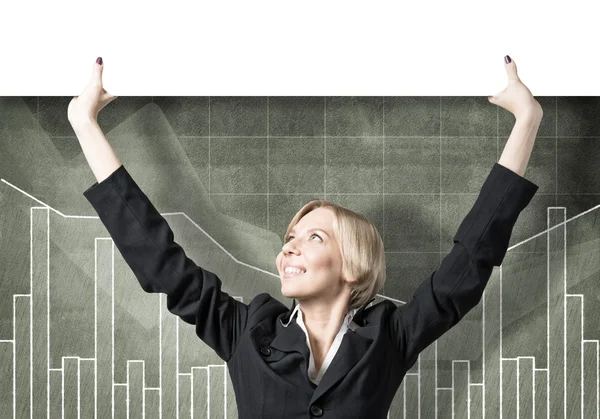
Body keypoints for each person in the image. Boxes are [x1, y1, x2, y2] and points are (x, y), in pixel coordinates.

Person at [70, 55, 542, 418]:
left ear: (353, 265)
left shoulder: (390, 338)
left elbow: (471, 260)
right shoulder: (246, 332)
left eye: (314, 237)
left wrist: (527, 120)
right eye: (290, 237)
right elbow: (161, 262)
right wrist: (84, 124)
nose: (289, 246)